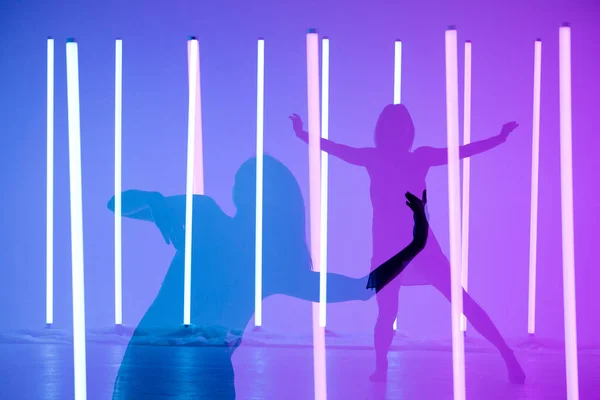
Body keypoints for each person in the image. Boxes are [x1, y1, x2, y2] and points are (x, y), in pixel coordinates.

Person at [109, 155, 429, 399]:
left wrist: (152, 200)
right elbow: (362, 288)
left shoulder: (209, 221)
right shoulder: (229, 234)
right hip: (178, 364)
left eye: (246, 181)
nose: (238, 185)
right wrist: (415, 246)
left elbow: (361, 289)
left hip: (167, 361)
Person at [290, 104, 526, 384]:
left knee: (458, 301)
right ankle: (381, 367)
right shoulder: (375, 157)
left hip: (420, 245)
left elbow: (461, 151)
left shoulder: (417, 157)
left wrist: (498, 139)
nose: (396, 131)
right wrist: (303, 135)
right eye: (392, 125)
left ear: (407, 130)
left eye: (400, 125)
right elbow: (337, 149)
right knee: (387, 312)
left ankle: (507, 355)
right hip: (388, 249)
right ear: (384, 130)